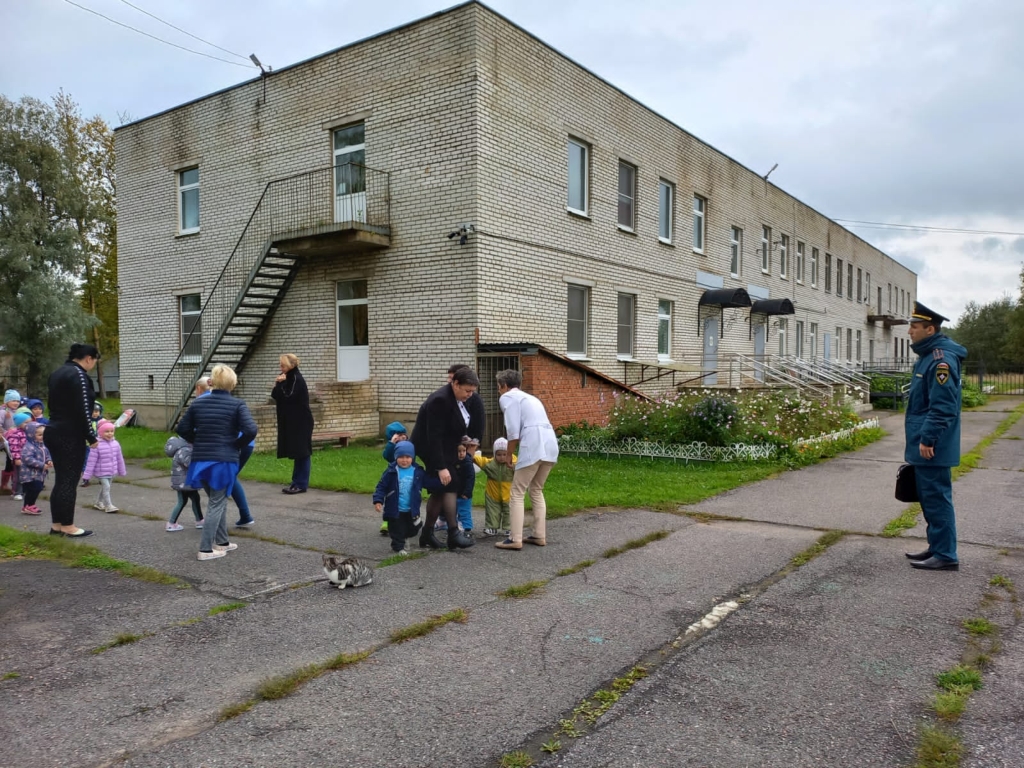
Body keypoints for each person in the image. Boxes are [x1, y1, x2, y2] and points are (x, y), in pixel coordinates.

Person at [903, 301, 967, 571]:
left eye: (915, 327)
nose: (910, 331)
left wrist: (928, 438)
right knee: (929, 498)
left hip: (933, 445)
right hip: (926, 443)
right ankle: (937, 547)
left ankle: (945, 555)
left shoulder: (941, 360)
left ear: (930, 329)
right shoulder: (928, 356)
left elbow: (943, 407)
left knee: (937, 498)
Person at [176, 364, 258, 561]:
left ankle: (222, 542)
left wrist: (198, 440)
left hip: (201, 460)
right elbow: (251, 430)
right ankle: (205, 549)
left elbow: (182, 428)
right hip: (223, 461)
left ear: (212, 382)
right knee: (217, 502)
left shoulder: (197, 404)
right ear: (233, 384)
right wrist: (236, 445)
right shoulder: (237, 405)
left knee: (217, 500)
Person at [410, 367, 477, 550]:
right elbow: (434, 436)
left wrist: (463, 439)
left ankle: (427, 534)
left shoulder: (455, 398)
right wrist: (441, 467)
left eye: (472, 391)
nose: (470, 395)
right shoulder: (440, 400)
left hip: (444, 447)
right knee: (450, 482)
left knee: (441, 489)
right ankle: (453, 533)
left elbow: (451, 426)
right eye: (467, 390)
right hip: (430, 448)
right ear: (455, 384)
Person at [494, 369, 559, 550]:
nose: (498, 390)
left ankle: (515, 539)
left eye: (498, 387)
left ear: (504, 385)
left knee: (517, 492)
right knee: (536, 490)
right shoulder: (532, 398)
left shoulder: (507, 397)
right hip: (550, 443)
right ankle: (539, 535)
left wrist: (509, 454)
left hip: (533, 443)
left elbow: (513, 430)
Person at [45, 343, 100, 537]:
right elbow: (83, 409)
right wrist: (91, 436)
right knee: (69, 481)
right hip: (69, 433)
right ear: (89, 359)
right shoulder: (79, 376)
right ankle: (68, 526)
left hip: (53, 429)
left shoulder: (58, 372)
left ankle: (57, 526)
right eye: (94, 361)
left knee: (61, 480)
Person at [195, 376, 254, 526]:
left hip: (227, 446)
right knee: (230, 477)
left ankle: (218, 523)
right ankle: (245, 516)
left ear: (199, 389)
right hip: (245, 444)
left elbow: (194, 429)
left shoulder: (202, 402)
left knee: (222, 483)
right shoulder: (228, 399)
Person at [373, 440, 432, 556]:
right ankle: (398, 547)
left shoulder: (418, 471)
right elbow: (381, 486)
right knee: (396, 530)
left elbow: (428, 482)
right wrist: (378, 500)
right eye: (401, 457)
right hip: (395, 508)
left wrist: (441, 484)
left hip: (411, 508)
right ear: (396, 457)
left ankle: (404, 538)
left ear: (412, 457)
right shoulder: (391, 471)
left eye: (407, 457)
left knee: (414, 528)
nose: (404, 460)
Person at [271, 353, 314, 495]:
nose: (281, 368)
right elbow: (276, 395)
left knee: (302, 452)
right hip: (292, 420)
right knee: (297, 452)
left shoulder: (296, 378)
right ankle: (295, 482)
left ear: (291, 365)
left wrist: (281, 384)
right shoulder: (287, 377)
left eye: (283, 365)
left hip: (301, 421)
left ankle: (301, 484)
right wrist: (278, 383)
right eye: (280, 365)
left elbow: (288, 396)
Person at [82, 419, 127, 512]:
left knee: (105, 488)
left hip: (111, 471)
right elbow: (91, 461)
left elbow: (119, 458)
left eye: (112, 431)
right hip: (101, 472)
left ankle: (98, 503)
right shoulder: (96, 445)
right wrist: (87, 475)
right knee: (107, 487)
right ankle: (108, 505)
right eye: (106, 431)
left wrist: (122, 470)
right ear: (100, 432)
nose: (110, 433)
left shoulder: (116, 444)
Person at [474, 437, 516, 537]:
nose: (502, 457)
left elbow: (521, 468)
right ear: (494, 454)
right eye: (499, 455)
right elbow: (480, 460)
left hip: (509, 494)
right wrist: (471, 454)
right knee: (492, 510)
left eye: (504, 454)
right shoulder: (490, 464)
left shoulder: (513, 463)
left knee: (509, 511)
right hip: (492, 493)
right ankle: (492, 527)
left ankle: (509, 528)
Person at [164, 435, 204, 531]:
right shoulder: (184, 450)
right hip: (183, 483)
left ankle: (199, 520)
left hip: (185, 481)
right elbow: (189, 463)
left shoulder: (185, 448)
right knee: (182, 501)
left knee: (195, 499)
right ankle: (171, 523)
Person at [378, 421, 408, 536]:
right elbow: (387, 456)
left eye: (403, 435)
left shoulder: (408, 446)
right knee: (391, 500)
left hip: (406, 477)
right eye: (398, 435)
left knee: (406, 500)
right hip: (393, 476)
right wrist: (392, 443)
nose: (401, 437)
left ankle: (405, 522)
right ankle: (387, 521)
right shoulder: (392, 448)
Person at [18, 422, 51, 514]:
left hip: (39, 473)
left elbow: (47, 454)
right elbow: (28, 459)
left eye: (44, 434)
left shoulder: (42, 445)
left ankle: (28, 506)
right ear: (31, 435)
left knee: (37, 488)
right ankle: (29, 505)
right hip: (29, 474)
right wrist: (42, 465)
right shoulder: (28, 447)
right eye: (40, 435)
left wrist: (49, 460)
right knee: (34, 488)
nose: (42, 437)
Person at [5, 412, 31, 500]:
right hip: (19, 458)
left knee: (28, 475)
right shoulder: (14, 433)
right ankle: (17, 492)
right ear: (19, 424)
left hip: (28, 458)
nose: (28, 424)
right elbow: (14, 447)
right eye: (26, 422)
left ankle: (25, 490)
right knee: (19, 476)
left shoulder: (30, 432)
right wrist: (16, 458)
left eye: (30, 422)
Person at [455, 436, 478, 534]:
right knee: (454, 511)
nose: (461, 453)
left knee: (465, 511)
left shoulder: (468, 463)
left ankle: (467, 528)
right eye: (459, 451)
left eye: (463, 451)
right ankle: (456, 527)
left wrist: (467, 492)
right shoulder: (454, 462)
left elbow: (470, 478)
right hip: (455, 492)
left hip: (465, 493)